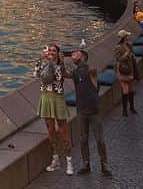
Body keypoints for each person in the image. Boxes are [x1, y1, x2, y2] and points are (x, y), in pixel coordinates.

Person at [66, 48, 111, 177]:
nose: (73, 55)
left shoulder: (91, 70)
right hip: (81, 110)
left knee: (99, 139)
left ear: (83, 57)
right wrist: (59, 60)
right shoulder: (75, 72)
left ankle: (104, 164)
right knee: (83, 139)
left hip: (93, 110)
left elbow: (89, 69)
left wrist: (79, 60)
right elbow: (64, 74)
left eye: (76, 53)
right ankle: (86, 164)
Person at [34, 45, 73, 175]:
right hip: (45, 97)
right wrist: (40, 60)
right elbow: (36, 74)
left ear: (58, 53)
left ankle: (69, 161)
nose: (51, 52)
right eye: (49, 50)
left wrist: (53, 63)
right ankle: (55, 159)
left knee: (63, 130)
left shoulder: (60, 65)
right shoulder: (44, 63)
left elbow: (57, 77)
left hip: (57, 98)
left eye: (54, 51)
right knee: (50, 130)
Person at [114, 29, 138, 117]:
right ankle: (124, 110)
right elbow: (118, 59)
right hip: (122, 70)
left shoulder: (129, 45)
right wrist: (126, 54)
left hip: (130, 69)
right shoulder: (118, 47)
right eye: (127, 36)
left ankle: (131, 107)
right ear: (125, 37)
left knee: (131, 89)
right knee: (125, 90)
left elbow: (133, 56)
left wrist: (131, 55)